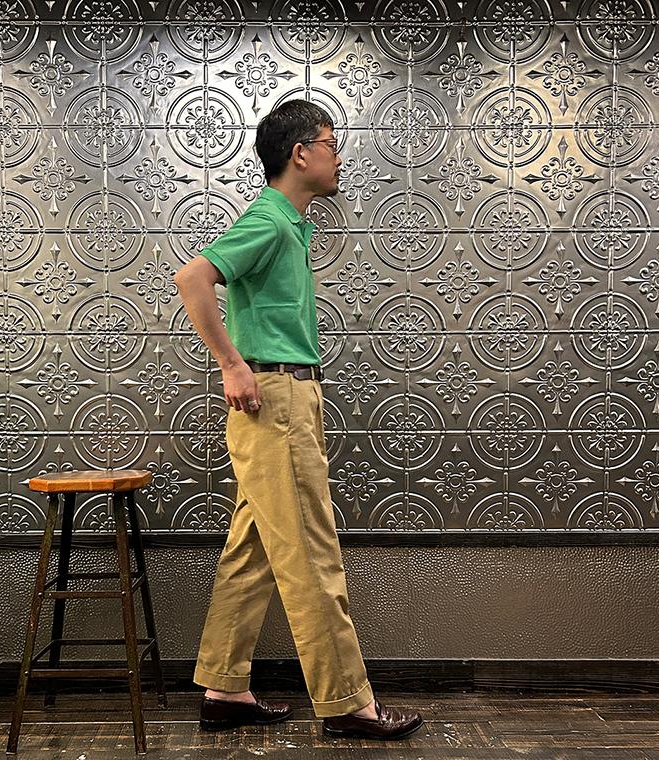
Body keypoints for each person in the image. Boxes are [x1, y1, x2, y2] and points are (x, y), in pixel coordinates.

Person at [173, 99, 423, 741]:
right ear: (301, 153)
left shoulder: (292, 225)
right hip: (274, 400)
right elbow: (193, 278)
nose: (339, 158)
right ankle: (347, 705)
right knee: (311, 549)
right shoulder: (270, 221)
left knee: (253, 549)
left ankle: (224, 688)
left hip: (286, 399)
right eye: (332, 144)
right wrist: (231, 364)